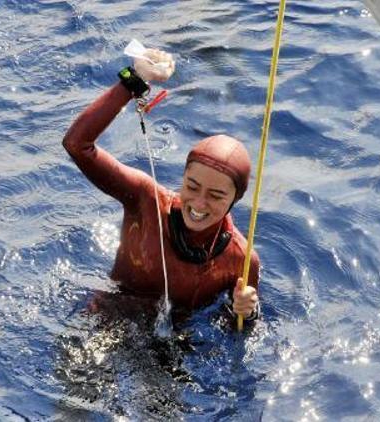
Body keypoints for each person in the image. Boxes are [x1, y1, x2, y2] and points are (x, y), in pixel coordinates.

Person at [63, 47, 260, 321]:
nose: (199, 204)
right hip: (110, 319)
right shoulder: (145, 201)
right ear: (182, 178)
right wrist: (133, 80)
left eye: (215, 196)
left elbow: (236, 330)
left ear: (235, 199)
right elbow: (77, 145)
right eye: (192, 186)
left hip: (174, 344)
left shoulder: (241, 259)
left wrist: (246, 314)